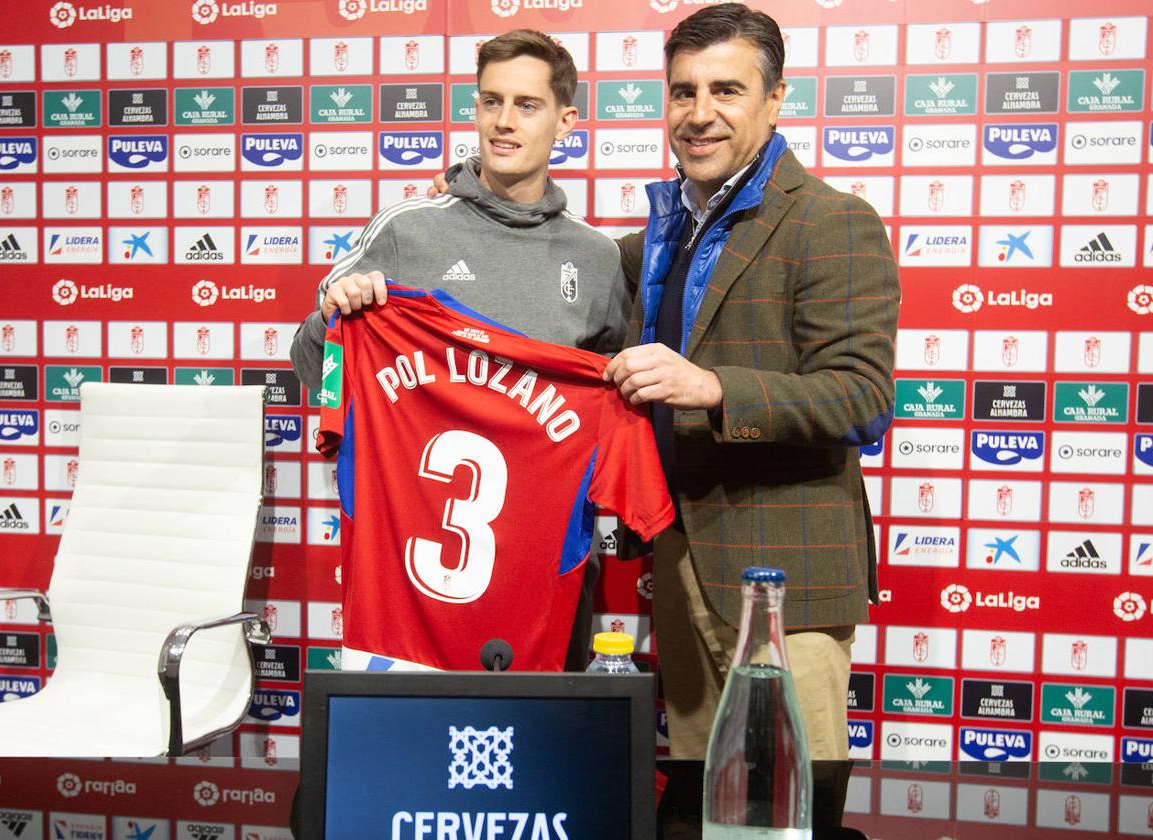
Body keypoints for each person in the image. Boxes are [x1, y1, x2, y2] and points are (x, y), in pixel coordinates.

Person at [602, 6, 899, 761]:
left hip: (787, 578)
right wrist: (463, 199)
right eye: (683, 92)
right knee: (706, 802)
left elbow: (861, 395)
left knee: (791, 805)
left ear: (775, 99)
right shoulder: (654, 238)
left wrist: (714, 387)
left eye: (727, 90)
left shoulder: (833, 221)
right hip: (678, 564)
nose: (699, 115)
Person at [290, 29, 629, 670]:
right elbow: (316, 372)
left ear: (567, 119)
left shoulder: (598, 258)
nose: (503, 123)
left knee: (537, 757)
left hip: (541, 572)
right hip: (414, 581)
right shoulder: (406, 231)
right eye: (489, 101)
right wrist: (333, 318)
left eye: (526, 105)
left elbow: (607, 408)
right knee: (410, 755)